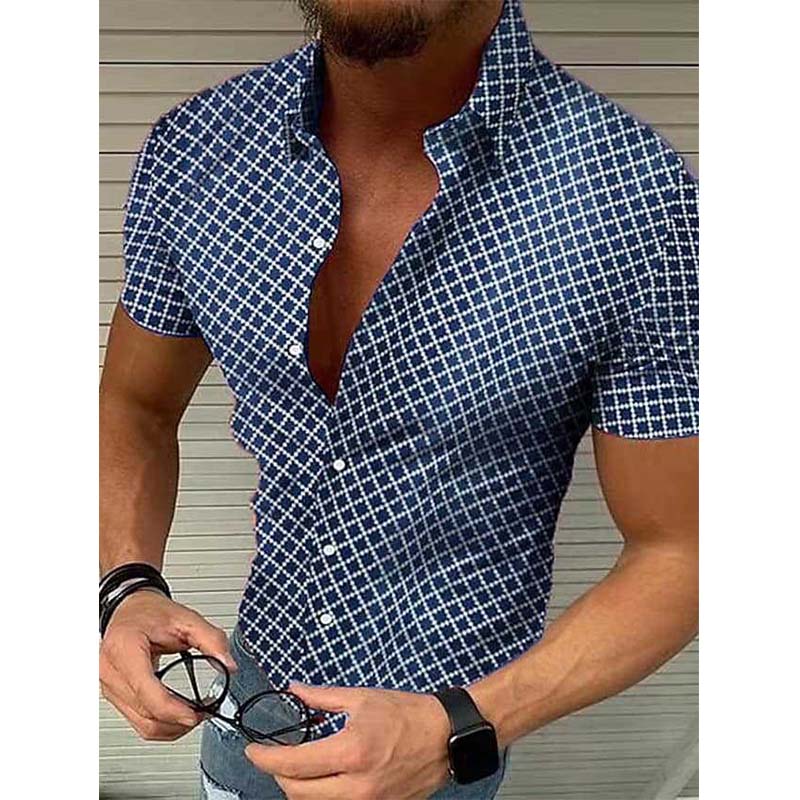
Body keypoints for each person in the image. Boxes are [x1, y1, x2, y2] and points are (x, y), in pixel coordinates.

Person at [98, 0, 699, 798]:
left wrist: (465, 727)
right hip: (249, 710)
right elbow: (135, 404)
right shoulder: (197, 150)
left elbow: (684, 549)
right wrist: (126, 586)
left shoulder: (636, 198)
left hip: (445, 747)